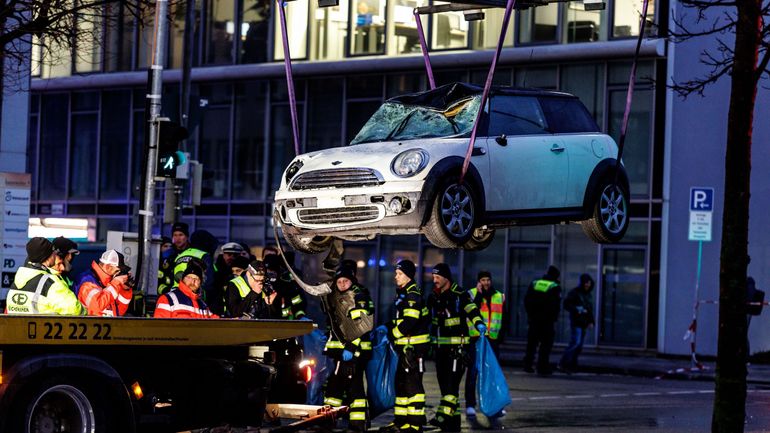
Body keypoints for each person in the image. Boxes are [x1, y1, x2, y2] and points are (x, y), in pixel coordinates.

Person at [427, 263, 484, 432]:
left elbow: (472, 310)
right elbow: (428, 319)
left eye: (438, 277)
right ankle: (453, 424)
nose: (435, 280)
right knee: (446, 389)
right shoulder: (433, 296)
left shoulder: (460, 295)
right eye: (433, 277)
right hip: (440, 350)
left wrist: (479, 323)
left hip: (457, 350)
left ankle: (442, 417)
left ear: (446, 278)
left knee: (451, 387)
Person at [381, 260, 430, 433]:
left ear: (408, 276)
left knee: (413, 387)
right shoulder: (402, 293)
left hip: (414, 349)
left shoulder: (412, 293)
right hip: (405, 348)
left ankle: (414, 425)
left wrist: (392, 333)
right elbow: (400, 319)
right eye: (396, 273)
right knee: (401, 385)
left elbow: (410, 320)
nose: (396, 276)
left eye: (399, 273)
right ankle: (401, 422)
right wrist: (386, 327)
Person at [6, 237, 86, 315]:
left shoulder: (18, 281)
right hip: (41, 327)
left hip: (18, 328)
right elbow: (75, 310)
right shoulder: (51, 283)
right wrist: (85, 310)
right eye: (53, 252)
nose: (55, 254)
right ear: (48, 256)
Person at [465, 270, 506, 417]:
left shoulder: (499, 296)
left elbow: (503, 317)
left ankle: (495, 405)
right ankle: (470, 404)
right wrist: (479, 294)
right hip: (476, 339)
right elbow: (471, 311)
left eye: (488, 280)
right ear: (478, 281)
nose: (486, 282)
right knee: (473, 373)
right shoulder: (471, 294)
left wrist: (501, 336)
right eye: (483, 280)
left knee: (492, 374)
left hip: (492, 340)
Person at [523, 265, 562, 376]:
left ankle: (528, 365)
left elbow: (527, 300)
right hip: (547, 321)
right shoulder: (555, 286)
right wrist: (553, 318)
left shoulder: (535, 283)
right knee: (545, 345)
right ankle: (542, 366)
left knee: (531, 344)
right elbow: (555, 305)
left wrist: (531, 315)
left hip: (534, 319)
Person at [74, 250, 134, 317]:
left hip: (107, 325)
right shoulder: (87, 281)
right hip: (91, 325)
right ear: (108, 267)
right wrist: (116, 283)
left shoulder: (109, 284)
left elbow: (119, 312)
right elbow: (96, 307)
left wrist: (125, 290)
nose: (119, 274)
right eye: (117, 271)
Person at [558, 273, 595, 374]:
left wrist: (591, 321)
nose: (587, 285)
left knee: (578, 346)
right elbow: (566, 304)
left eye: (589, 283)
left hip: (583, 323)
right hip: (577, 322)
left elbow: (589, 310)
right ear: (582, 283)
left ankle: (571, 365)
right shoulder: (575, 292)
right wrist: (576, 309)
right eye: (586, 283)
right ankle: (564, 363)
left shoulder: (588, 295)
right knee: (575, 343)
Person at [173, 229, 218, 311]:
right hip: (195, 297)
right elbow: (209, 281)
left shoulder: (179, 256)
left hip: (176, 295)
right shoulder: (204, 256)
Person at [158, 223, 190, 295]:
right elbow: (158, 278)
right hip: (169, 295)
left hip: (188, 293)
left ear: (187, 236)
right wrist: (166, 291)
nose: (177, 238)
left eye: (181, 235)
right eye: (175, 235)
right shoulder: (167, 255)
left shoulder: (192, 253)